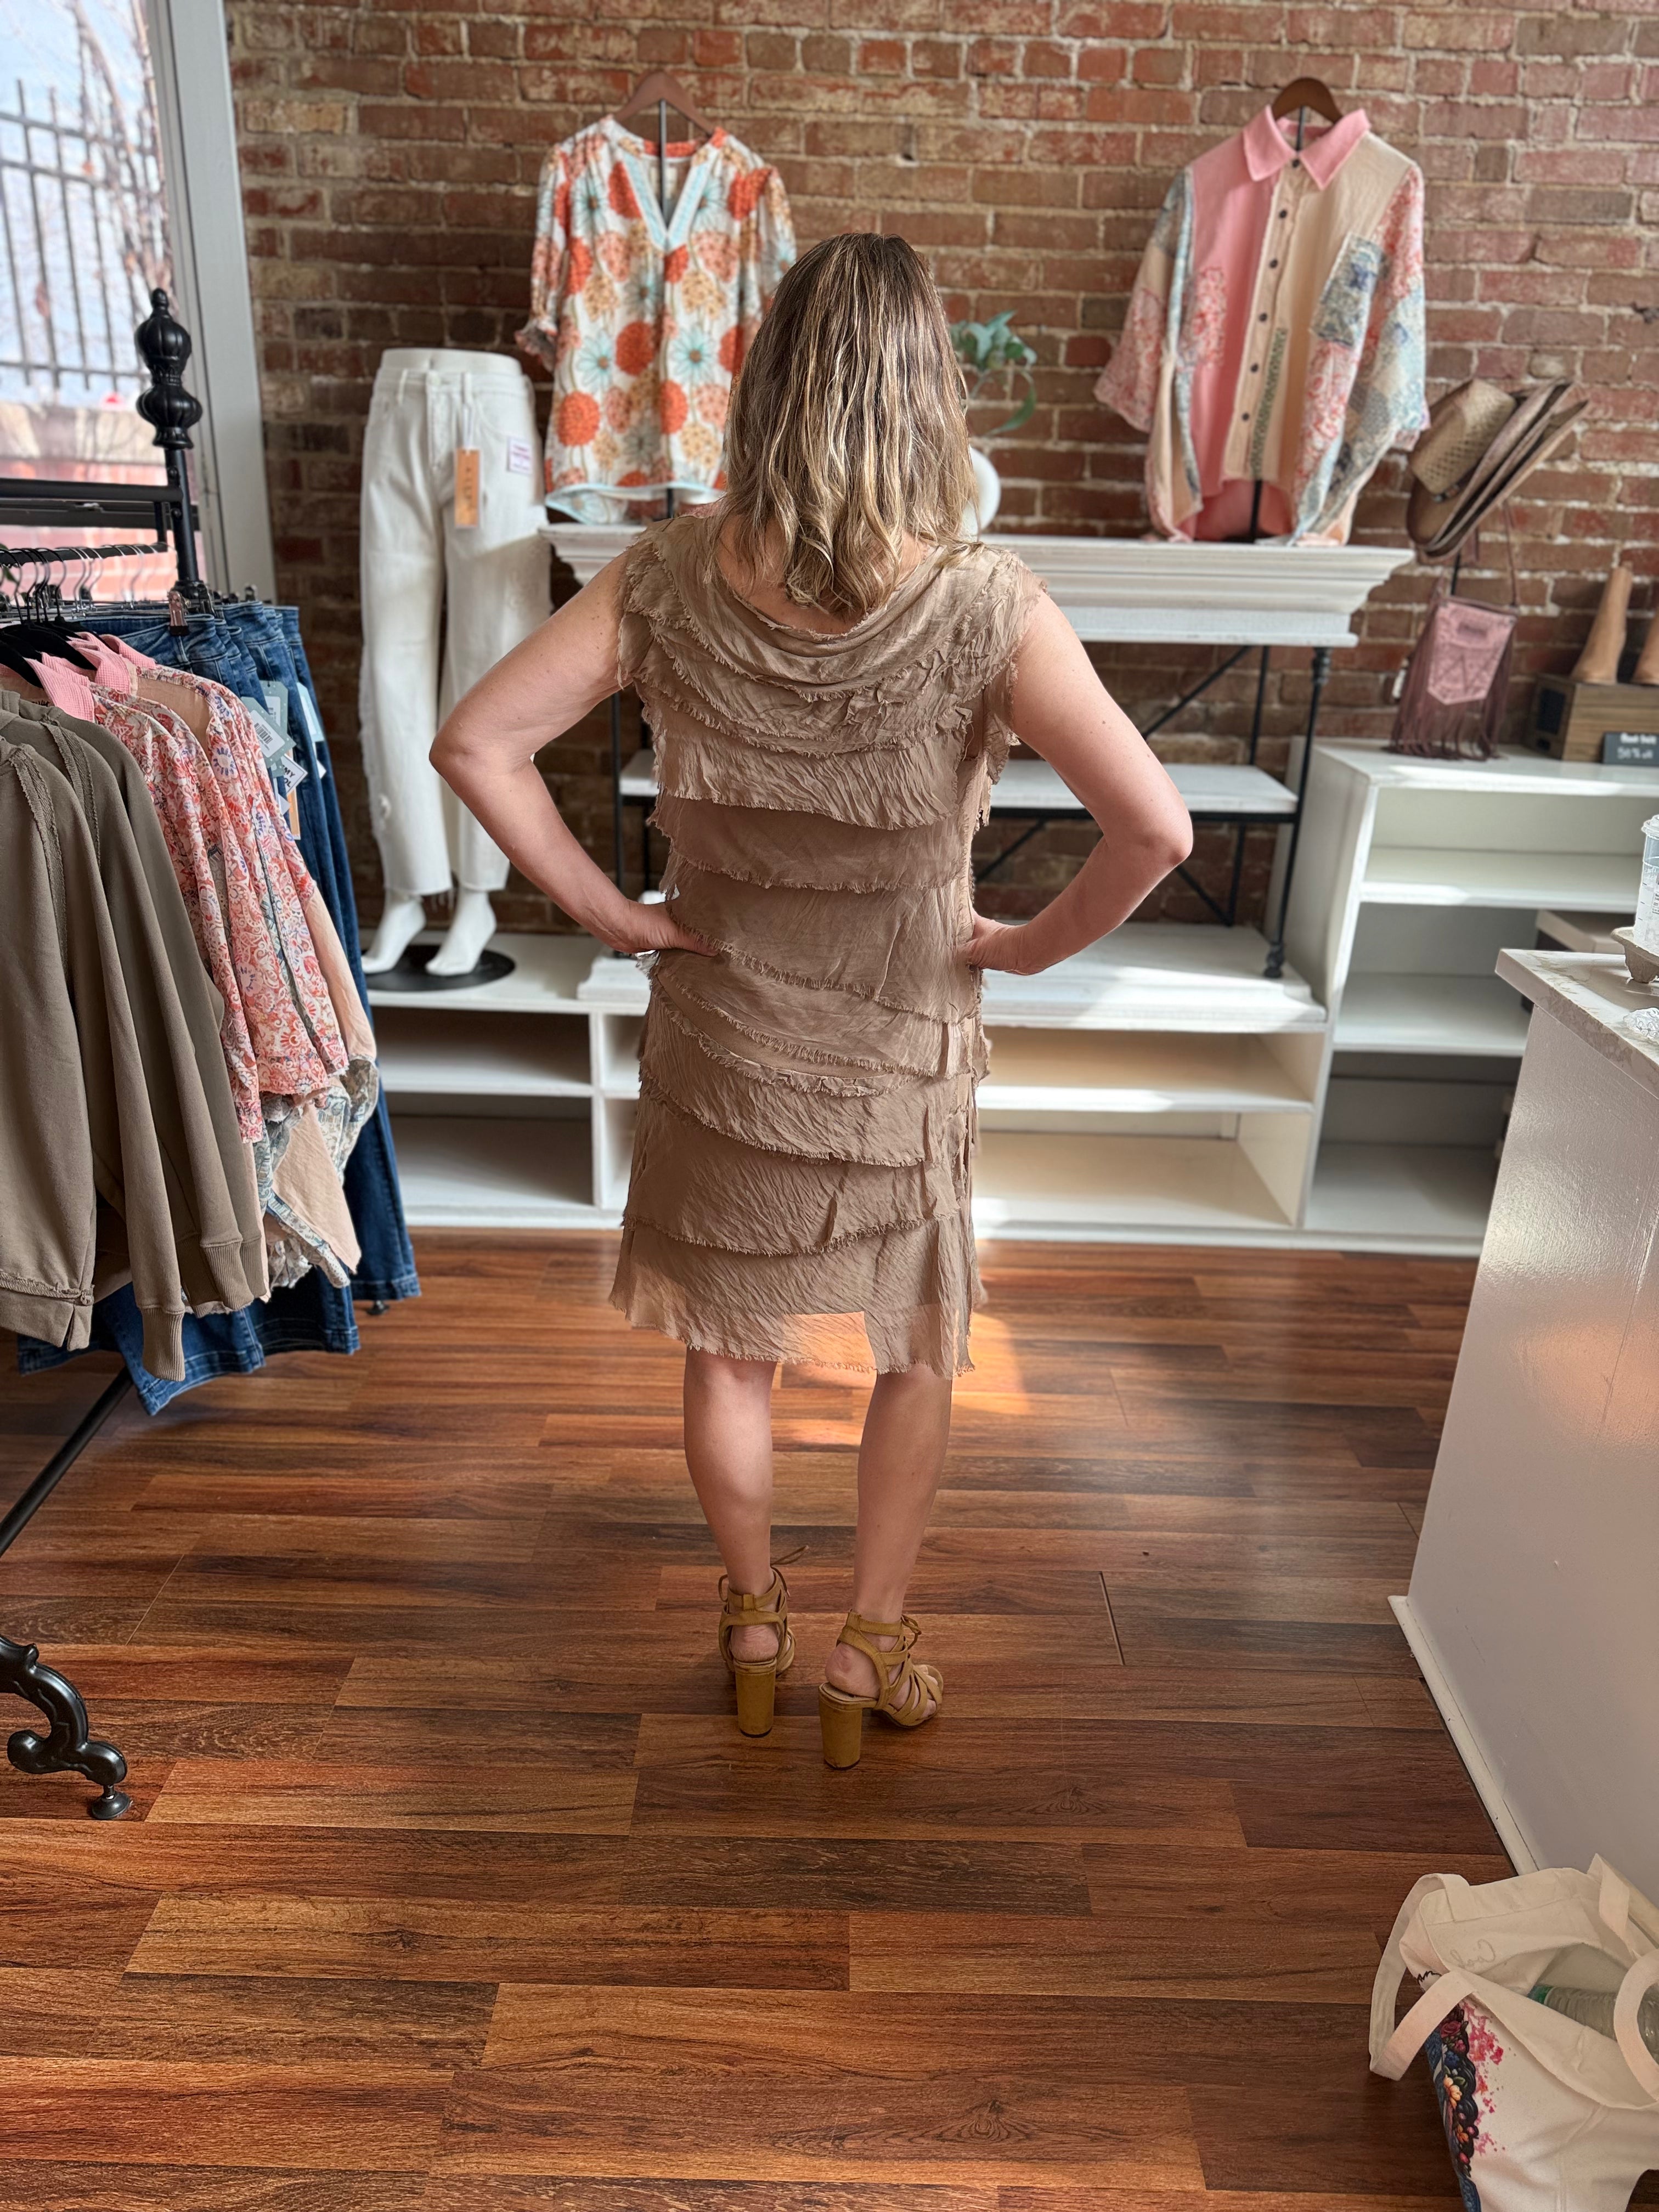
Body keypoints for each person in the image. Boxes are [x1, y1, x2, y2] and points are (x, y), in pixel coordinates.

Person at [432, 233, 1192, 1767]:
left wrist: (609, 914)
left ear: (766, 382)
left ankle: (759, 1622)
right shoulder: (989, 605)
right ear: (927, 401)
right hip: (909, 1031)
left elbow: (475, 743)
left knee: (732, 1353)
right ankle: (873, 1652)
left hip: (721, 1028)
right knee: (914, 1348)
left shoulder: (662, 575)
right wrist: (1025, 949)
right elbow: (1158, 830)